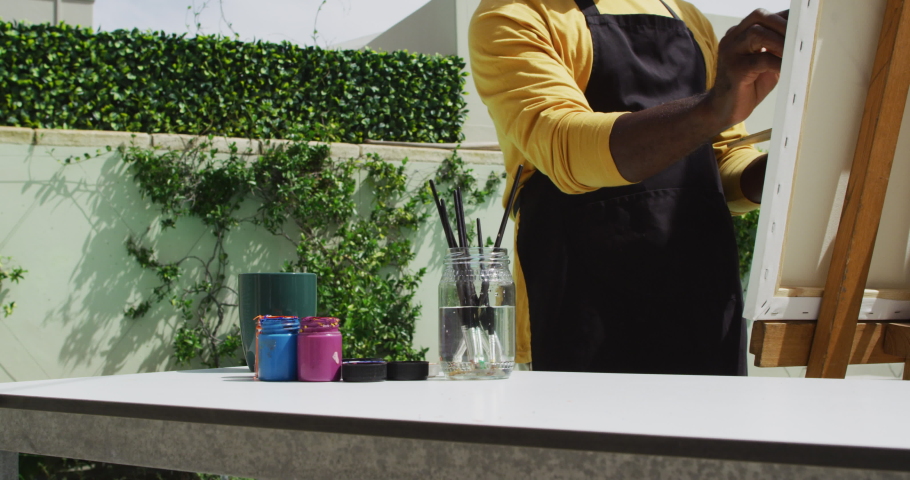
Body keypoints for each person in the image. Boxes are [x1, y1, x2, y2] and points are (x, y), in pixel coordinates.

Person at [468, 0, 787, 375]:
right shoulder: (513, 15)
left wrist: (793, 160)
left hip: (703, 303)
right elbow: (565, 147)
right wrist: (711, 109)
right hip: (584, 309)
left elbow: (723, 162)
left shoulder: (685, 14)